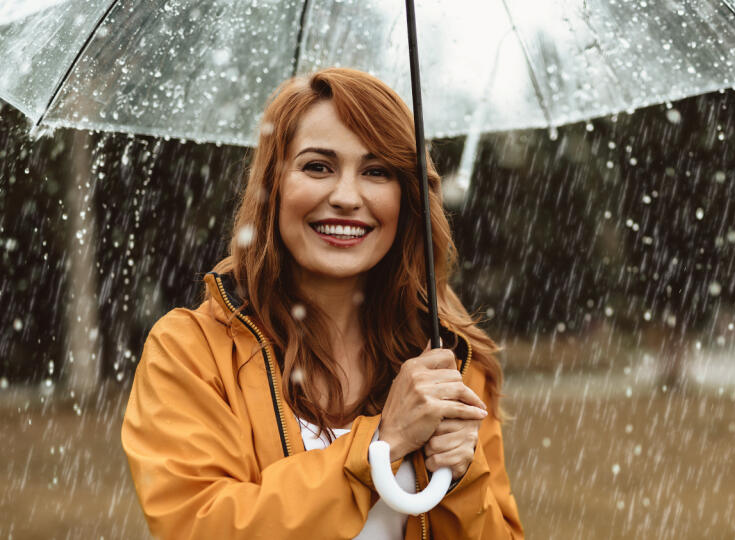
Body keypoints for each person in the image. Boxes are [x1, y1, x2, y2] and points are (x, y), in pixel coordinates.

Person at [121, 68, 524, 539]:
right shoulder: (190, 352)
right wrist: (379, 446)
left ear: (407, 196)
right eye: (318, 167)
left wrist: (460, 479)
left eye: (376, 172)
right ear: (273, 187)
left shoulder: (449, 360)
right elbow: (198, 525)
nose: (347, 197)